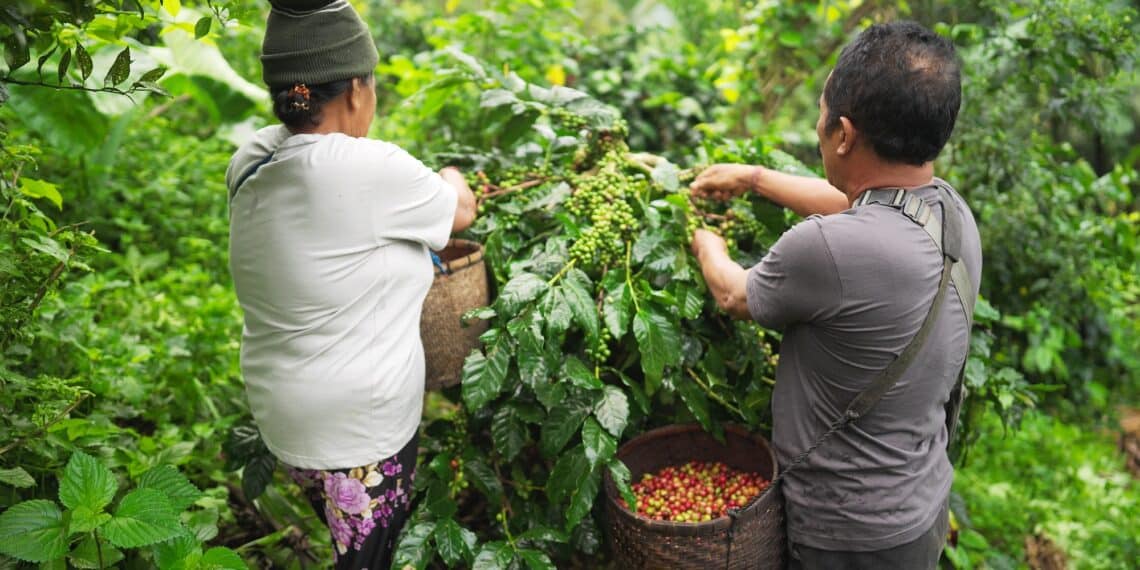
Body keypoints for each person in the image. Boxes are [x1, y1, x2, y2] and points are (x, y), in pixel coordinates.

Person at [690, 21, 981, 569]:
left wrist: (705, 239)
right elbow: (860, 208)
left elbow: (732, 293)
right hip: (922, 509)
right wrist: (755, 178)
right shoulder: (952, 213)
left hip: (847, 534)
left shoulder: (825, 250)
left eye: (822, 117)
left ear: (843, 134)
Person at [225, 0, 476, 567]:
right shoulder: (368, 167)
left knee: (349, 534)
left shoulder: (252, 157)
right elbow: (460, 212)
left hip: (285, 416)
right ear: (358, 91)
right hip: (358, 431)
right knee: (370, 558)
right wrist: (452, 174)